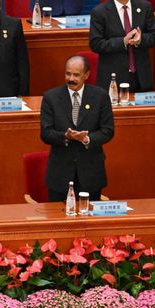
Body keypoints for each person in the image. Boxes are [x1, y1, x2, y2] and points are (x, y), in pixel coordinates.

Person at [40, 55, 114, 202]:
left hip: (90, 173)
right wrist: (66, 136)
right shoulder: (51, 97)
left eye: (76, 75)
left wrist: (86, 138)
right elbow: (45, 133)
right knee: (59, 221)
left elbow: (108, 131)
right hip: (60, 174)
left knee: (89, 221)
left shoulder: (101, 97)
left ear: (86, 75)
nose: (71, 79)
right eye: (68, 73)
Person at [89, 0, 155, 92]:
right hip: (113, 77)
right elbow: (96, 44)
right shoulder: (100, 12)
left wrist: (140, 39)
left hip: (141, 77)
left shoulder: (144, 7)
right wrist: (123, 41)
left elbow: (154, 36)